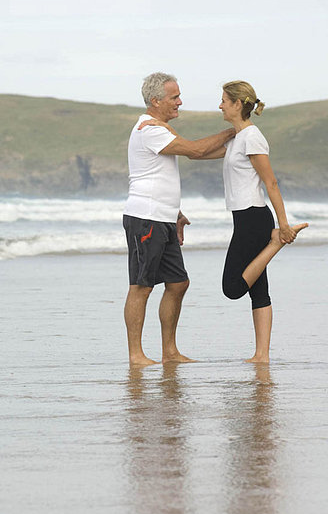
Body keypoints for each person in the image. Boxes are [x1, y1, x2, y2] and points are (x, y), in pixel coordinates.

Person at [142, 80, 308, 364]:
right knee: (259, 289)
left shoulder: (253, 137)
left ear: (236, 104)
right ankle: (261, 356)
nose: (219, 105)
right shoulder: (238, 138)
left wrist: (282, 225)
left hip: (253, 217)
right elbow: (198, 154)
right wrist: (160, 129)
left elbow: (271, 182)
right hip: (245, 216)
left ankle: (276, 244)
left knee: (232, 288)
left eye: (223, 101)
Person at [123, 72, 235, 366]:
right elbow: (195, 150)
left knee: (178, 283)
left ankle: (169, 352)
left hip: (163, 217)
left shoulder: (160, 128)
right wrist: (235, 129)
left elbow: (194, 156)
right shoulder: (150, 130)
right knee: (141, 286)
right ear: (156, 100)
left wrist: (241, 149)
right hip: (145, 218)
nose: (180, 102)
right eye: (174, 97)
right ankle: (136, 355)